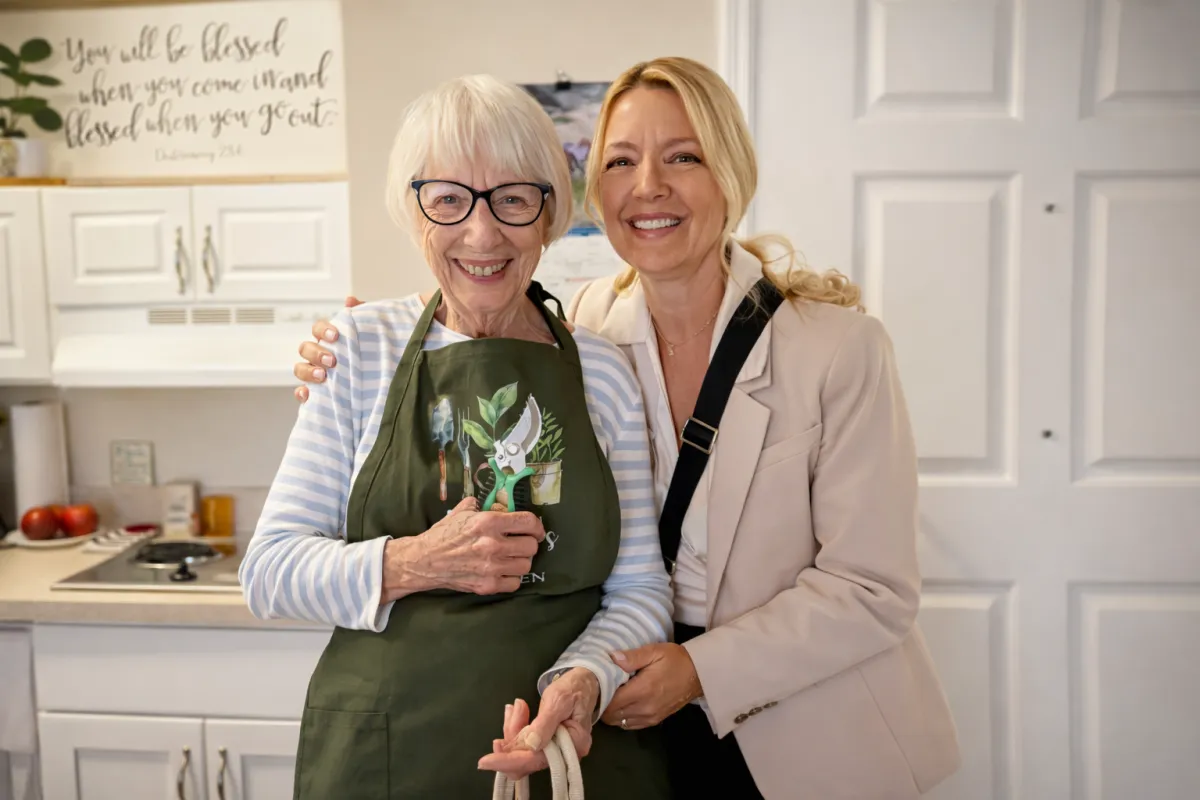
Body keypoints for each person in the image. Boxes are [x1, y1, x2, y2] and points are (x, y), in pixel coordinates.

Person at [294, 57, 962, 799]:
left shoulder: (837, 348)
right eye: (620, 161)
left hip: (803, 725)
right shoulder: (585, 333)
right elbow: (477, 278)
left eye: (684, 157)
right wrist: (355, 344)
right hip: (622, 716)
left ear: (731, 175)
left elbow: (872, 588)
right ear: (593, 191)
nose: (648, 186)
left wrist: (699, 670)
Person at [242, 73, 676, 799]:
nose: (482, 233)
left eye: (513, 199)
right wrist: (417, 562)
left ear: (548, 212)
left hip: (570, 756)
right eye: (448, 199)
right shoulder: (359, 349)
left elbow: (639, 589)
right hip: (385, 754)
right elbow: (269, 572)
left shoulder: (602, 372)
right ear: (414, 211)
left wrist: (586, 679)